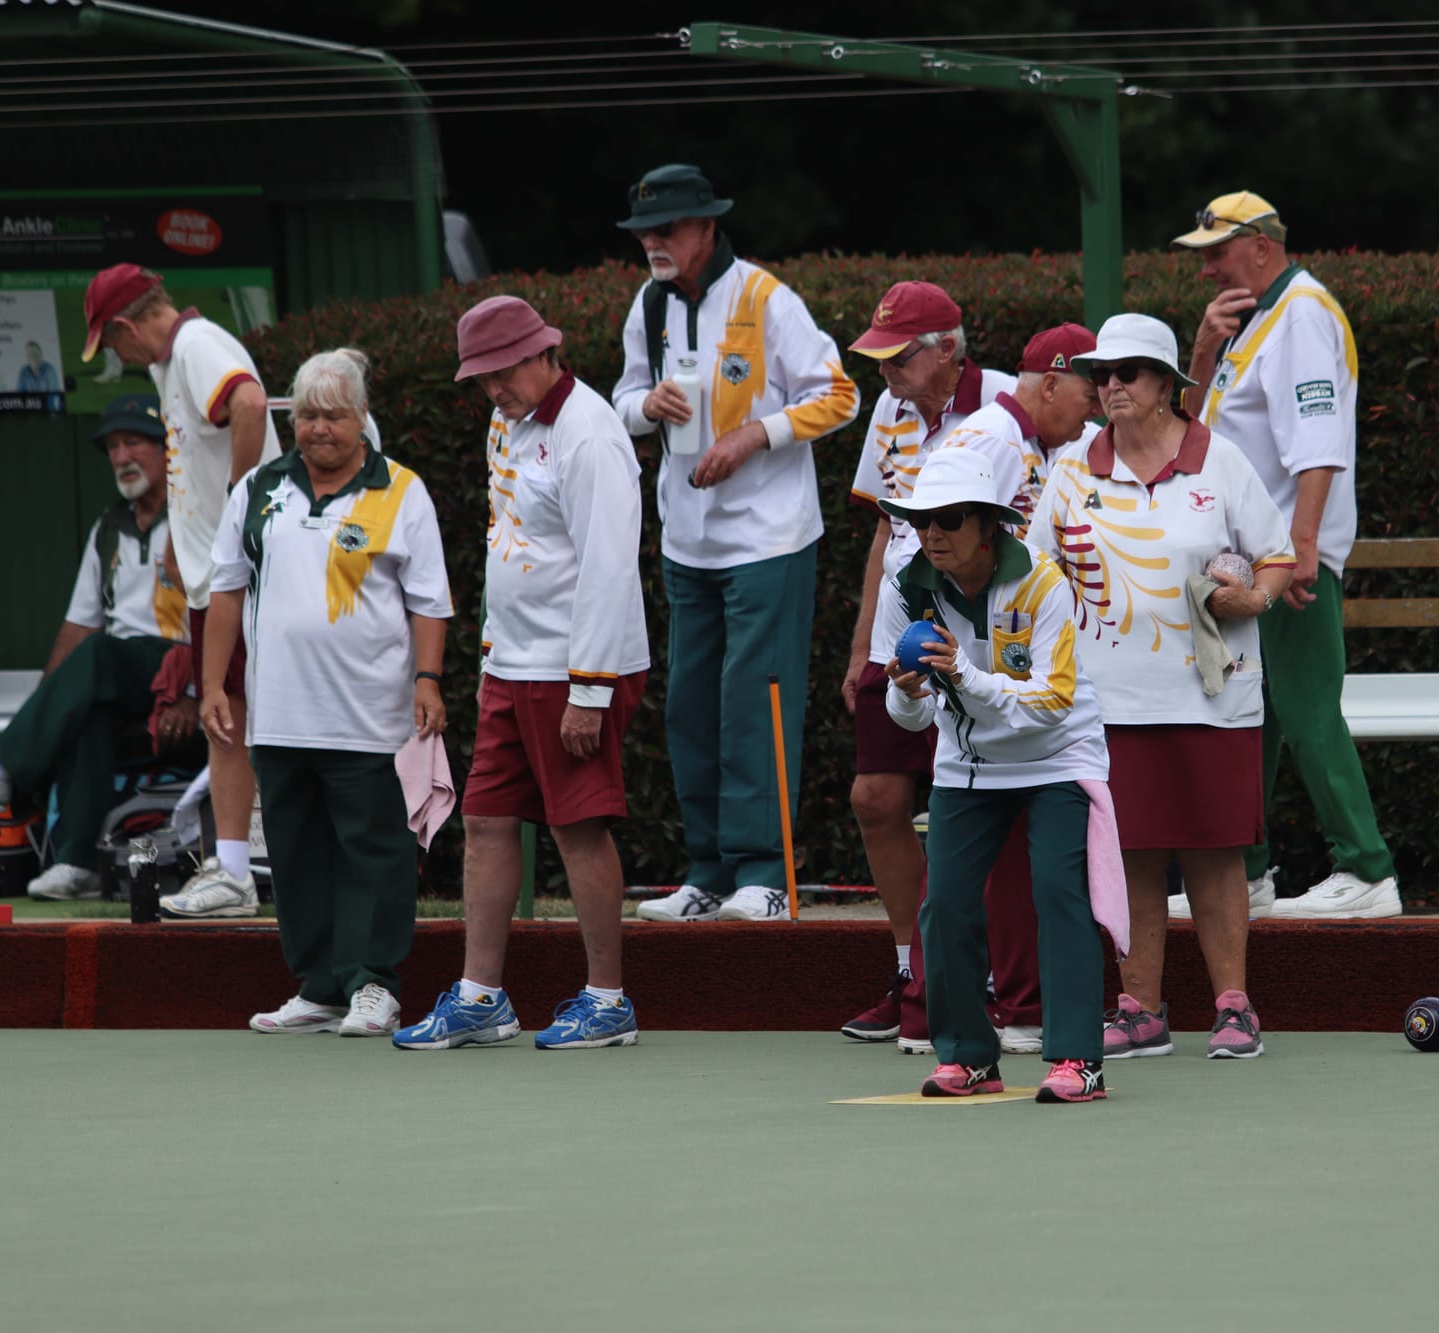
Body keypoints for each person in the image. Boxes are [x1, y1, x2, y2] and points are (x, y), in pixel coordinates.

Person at [1032, 314, 1294, 1060]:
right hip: (1107, 698)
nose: (1109, 385)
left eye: (1127, 373)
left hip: (1215, 696)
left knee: (1215, 854)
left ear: (1165, 387)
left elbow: (1275, 556)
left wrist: (1256, 597)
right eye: (1101, 374)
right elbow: (1032, 569)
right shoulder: (1072, 467)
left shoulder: (1221, 461)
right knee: (1132, 855)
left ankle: (1235, 1007)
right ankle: (1140, 1008)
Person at [397, 297, 651, 1052]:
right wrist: (488, 656)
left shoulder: (592, 435)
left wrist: (589, 690)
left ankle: (609, 1000)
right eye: (480, 378)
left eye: (501, 372)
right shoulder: (507, 423)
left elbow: (609, 568)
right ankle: (481, 996)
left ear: (546, 354)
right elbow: (507, 543)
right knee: (484, 819)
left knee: (578, 827)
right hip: (514, 665)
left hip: (577, 667)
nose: (492, 389)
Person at [610, 163, 859, 923]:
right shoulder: (648, 302)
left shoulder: (765, 296)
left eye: (668, 229)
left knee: (757, 703)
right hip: (688, 541)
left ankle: (766, 872)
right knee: (690, 707)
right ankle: (708, 871)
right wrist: (645, 406)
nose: (654, 242)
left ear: (706, 228)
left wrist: (757, 433)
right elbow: (619, 401)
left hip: (768, 539)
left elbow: (840, 394)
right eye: (645, 231)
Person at [860, 323, 1104, 1054]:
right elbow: (916, 556)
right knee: (953, 891)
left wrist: (966, 671)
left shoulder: (1027, 467)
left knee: (1046, 885)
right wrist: (907, 676)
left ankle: (1048, 1033)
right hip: (959, 697)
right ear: (1052, 383)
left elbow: (1041, 687)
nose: (1092, 416)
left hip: (1037, 725)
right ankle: (947, 1027)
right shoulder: (996, 444)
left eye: (947, 520)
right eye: (1089, 397)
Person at [199, 350, 452, 1037]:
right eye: (307, 415)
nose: (319, 429)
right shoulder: (257, 487)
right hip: (279, 715)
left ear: (362, 418)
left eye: (334, 415)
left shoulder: (402, 490)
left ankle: (375, 983)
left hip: (371, 715)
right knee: (297, 852)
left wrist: (429, 680)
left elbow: (430, 603)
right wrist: (213, 682)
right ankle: (319, 986)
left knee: (376, 853)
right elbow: (225, 590)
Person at [1174, 192, 1400, 921]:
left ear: (1261, 247)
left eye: (1217, 251)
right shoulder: (1259, 319)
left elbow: (1318, 441)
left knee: (1305, 710)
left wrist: (1302, 547)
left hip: (1283, 559)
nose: (1206, 268)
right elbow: (1193, 433)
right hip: (1251, 558)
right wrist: (1203, 352)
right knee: (1253, 718)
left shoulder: (1300, 312)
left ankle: (1367, 870)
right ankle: (1245, 873)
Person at [837, 280, 1016, 1041]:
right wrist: (860, 646)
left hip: (979, 633)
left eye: (899, 357)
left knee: (982, 809)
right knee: (875, 797)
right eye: (877, 358)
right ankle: (915, 967)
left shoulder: (1007, 406)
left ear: (948, 348)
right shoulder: (889, 410)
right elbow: (886, 531)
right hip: (898, 631)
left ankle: (986, 976)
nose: (886, 373)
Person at [80, 263, 279, 920]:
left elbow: (248, 403)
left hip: (236, 579)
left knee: (233, 723)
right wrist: (186, 531)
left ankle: (235, 872)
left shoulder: (196, 347)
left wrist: (237, 505)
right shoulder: (177, 359)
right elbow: (205, 451)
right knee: (230, 723)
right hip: (217, 578)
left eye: (113, 343)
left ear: (128, 325)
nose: (119, 355)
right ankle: (234, 868)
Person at [0, 394, 188, 900]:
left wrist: (197, 693)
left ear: (166, 448)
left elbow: (227, 617)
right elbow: (77, 627)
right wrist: (43, 713)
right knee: (88, 708)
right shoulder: (109, 526)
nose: (121, 456)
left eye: (133, 441)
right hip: (120, 672)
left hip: (183, 668)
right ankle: (80, 864)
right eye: (112, 446)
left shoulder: (195, 517)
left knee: (101, 656)